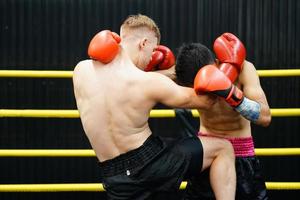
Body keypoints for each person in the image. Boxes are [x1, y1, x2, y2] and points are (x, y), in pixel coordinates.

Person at [73, 14, 236, 200]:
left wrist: (169, 73)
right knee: (223, 149)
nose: (151, 58)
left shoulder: (81, 71)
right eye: (152, 51)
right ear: (143, 43)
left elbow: (119, 82)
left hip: (114, 177)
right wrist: (228, 70)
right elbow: (208, 101)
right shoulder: (149, 83)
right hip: (152, 164)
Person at [173, 33, 272, 200]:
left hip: (242, 156)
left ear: (216, 64)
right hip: (208, 154)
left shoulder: (244, 69)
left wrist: (232, 95)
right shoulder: (183, 76)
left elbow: (265, 117)